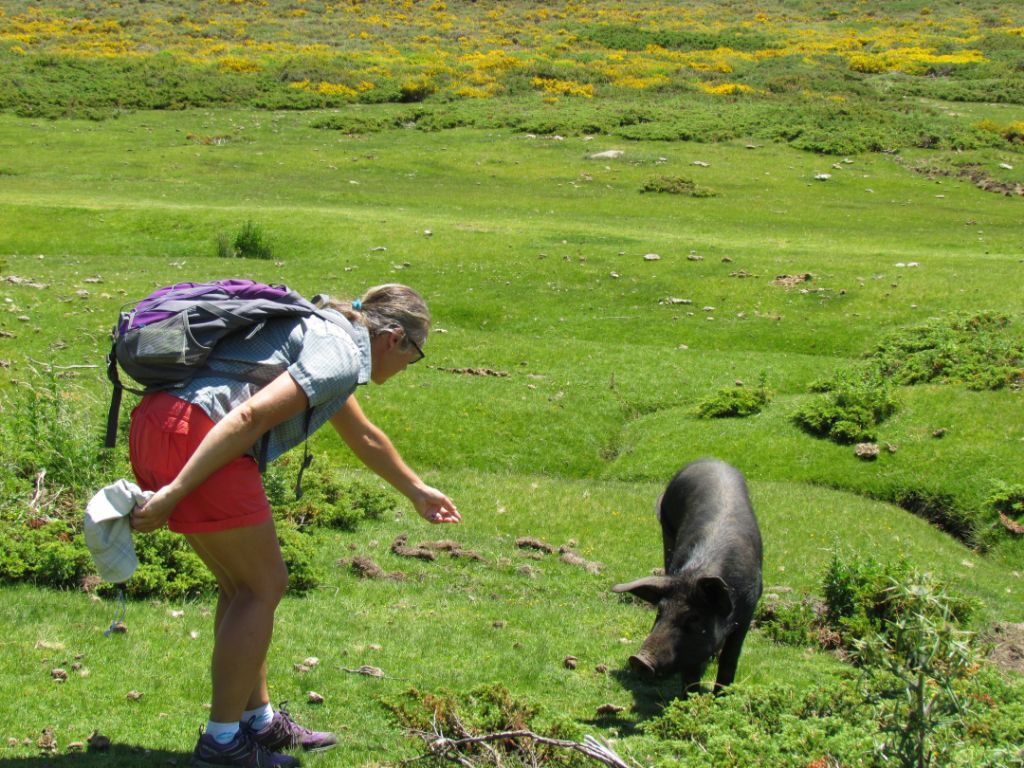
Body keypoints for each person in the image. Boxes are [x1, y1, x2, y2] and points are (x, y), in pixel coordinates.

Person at [127, 283, 459, 768]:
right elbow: (250, 415)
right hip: (199, 434)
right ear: (395, 339)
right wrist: (175, 492)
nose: (410, 365)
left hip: (160, 423)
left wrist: (417, 490)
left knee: (241, 587)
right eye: (416, 354)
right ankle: (222, 743)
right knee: (263, 586)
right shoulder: (339, 354)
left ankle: (257, 721)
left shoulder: (325, 335)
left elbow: (363, 435)